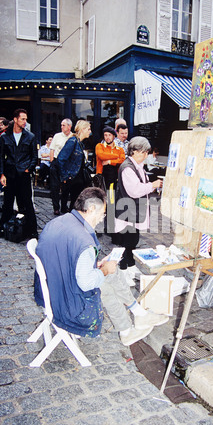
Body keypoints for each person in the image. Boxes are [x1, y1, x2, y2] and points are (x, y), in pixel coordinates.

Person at [34, 187, 168, 346]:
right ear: (91, 209)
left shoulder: (58, 222)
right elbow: (86, 283)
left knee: (109, 272)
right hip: (66, 302)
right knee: (105, 283)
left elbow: (65, 255)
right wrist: (104, 270)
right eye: (102, 213)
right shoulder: (84, 240)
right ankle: (127, 329)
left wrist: (96, 266)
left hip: (49, 288)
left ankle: (137, 315)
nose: (102, 218)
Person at [114, 136, 163, 286]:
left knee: (133, 240)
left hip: (134, 210)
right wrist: (152, 185)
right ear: (135, 151)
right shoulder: (127, 168)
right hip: (127, 210)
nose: (146, 155)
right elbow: (135, 190)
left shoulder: (137, 165)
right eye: (144, 152)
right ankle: (123, 271)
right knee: (126, 241)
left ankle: (131, 266)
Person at [0, 108, 38, 238]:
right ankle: (3, 228)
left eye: (26, 119)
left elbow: (34, 157)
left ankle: (32, 230)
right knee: (8, 202)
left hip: (24, 175)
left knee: (27, 203)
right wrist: (2, 174)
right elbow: (1, 157)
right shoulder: (4, 137)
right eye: (22, 119)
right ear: (15, 119)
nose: (25, 122)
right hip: (10, 174)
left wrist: (28, 169)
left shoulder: (30, 137)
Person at [57, 120, 91, 211]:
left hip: (78, 178)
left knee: (76, 203)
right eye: (88, 129)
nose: (90, 131)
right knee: (74, 204)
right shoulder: (72, 141)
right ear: (82, 129)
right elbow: (61, 159)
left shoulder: (80, 143)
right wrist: (64, 177)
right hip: (73, 178)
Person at [49, 118, 73, 215]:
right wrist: (52, 163)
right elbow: (52, 150)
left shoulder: (73, 137)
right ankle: (56, 207)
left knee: (66, 187)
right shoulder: (57, 136)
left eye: (64, 125)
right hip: (56, 163)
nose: (61, 127)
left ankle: (64, 206)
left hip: (67, 165)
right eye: (61, 125)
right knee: (54, 187)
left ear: (69, 126)